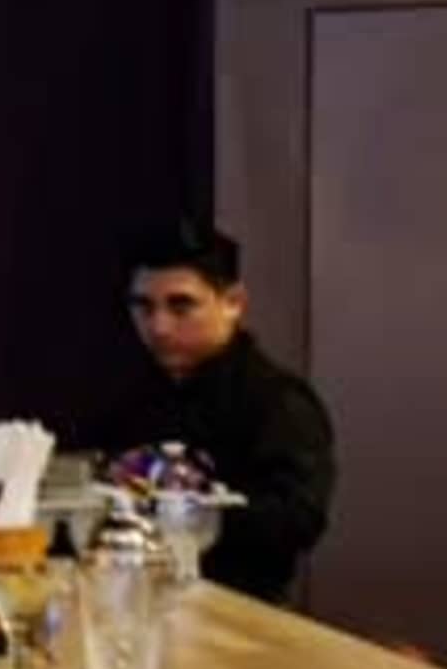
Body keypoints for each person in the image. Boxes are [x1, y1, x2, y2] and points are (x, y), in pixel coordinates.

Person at [97, 220, 336, 603]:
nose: (158, 327)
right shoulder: (131, 397)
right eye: (143, 307)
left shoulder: (277, 402)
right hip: (136, 604)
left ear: (233, 304)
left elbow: (296, 522)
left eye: (181, 306)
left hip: (242, 616)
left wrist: (188, 513)